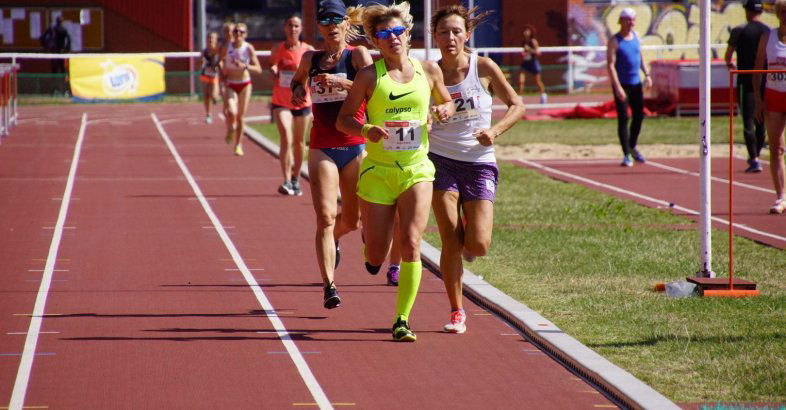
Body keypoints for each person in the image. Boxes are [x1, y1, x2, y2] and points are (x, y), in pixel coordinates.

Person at [336, 1, 455, 342]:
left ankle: (402, 319)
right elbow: (345, 118)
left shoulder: (428, 71)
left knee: (411, 242)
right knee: (376, 253)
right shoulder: (368, 76)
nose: (393, 38)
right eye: (385, 34)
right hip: (378, 172)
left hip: (416, 169)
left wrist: (442, 110)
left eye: (398, 32)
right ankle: (370, 253)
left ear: (408, 34)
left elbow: (446, 101)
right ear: (375, 41)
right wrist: (365, 131)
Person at [429, 5, 525, 334]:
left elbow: (517, 104)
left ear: (466, 35)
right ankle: (457, 311)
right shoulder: (429, 72)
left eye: (456, 31)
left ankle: (471, 229)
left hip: (479, 161)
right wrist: (428, 118)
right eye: (444, 32)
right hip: (439, 160)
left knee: (478, 245)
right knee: (449, 241)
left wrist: (494, 132)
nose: (450, 38)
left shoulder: (482, 67)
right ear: (435, 36)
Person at [290, 0, 373, 308]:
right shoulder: (310, 58)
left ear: (345, 24)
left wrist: (341, 81)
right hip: (322, 146)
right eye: (325, 22)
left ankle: (336, 238)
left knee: (352, 220)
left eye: (336, 21)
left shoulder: (357, 56)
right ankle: (329, 285)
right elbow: (297, 82)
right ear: (320, 27)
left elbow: (376, 90)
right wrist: (298, 90)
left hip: (354, 146)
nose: (331, 26)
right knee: (325, 217)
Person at [270, 14, 315, 196]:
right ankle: (286, 179)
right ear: (285, 28)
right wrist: (273, 70)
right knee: (286, 139)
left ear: (301, 28)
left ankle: (296, 179)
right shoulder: (277, 49)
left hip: (303, 102)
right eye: (290, 25)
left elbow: (314, 73)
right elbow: (272, 65)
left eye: (296, 26)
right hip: (281, 101)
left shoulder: (308, 50)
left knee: (299, 142)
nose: (293, 29)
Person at [725, 0, 769, 173]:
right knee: (761, 121)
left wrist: (731, 65)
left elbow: (728, 56)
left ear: (747, 11)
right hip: (765, 80)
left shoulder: (739, 30)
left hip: (746, 80)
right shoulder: (767, 32)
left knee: (748, 120)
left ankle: (755, 158)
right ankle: (756, 155)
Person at [606, 7, 652, 167]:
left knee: (639, 117)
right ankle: (626, 154)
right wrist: (617, 87)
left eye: (633, 20)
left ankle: (632, 146)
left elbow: (640, 58)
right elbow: (611, 65)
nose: (631, 23)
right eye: (628, 19)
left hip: (636, 84)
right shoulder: (614, 41)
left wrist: (647, 75)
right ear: (621, 21)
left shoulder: (637, 37)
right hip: (622, 85)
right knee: (623, 118)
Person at [754, 0, 786, 214]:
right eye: (782, 11)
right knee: (777, 149)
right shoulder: (768, 37)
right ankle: (781, 196)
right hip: (773, 96)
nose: (785, 15)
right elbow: (757, 70)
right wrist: (758, 100)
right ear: (776, 13)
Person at [218, 22, 262, 157]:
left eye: (241, 32)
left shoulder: (248, 48)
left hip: (244, 84)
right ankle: (231, 128)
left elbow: (259, 69)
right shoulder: (227, 46)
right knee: (231, 111)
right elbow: (220, 61)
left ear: (246, 34)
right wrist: (222, 70)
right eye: (236, 31)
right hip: (231, 82)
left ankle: (238, 145)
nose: (238, 34)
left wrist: (245, 66)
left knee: (241, 117)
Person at [40, 16, 71, 95]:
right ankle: (64, 90)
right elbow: (69, 40)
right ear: (62, 22)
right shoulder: (63, 30)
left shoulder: (52, 29)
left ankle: (54, 90)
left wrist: (46, 46)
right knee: (63, 72)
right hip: (61, 54)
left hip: (54, 53)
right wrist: (66, 49)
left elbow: (42, 37)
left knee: (54, 72)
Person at [518, 25, 547, 104]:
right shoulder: (523, 41)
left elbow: (538, 53)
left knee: (537, 81)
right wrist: (523, 53)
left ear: (530, 32)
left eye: (527, 31)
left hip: (533, 62)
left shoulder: (533, 41)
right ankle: (520, 97)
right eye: (525, 30)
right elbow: (524, 52)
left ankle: (543, 95)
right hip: (525, 62)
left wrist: (530, 49)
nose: (525, 32)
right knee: (521, 80)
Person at [200, 32, 221, 124]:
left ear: (216, 40)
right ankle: (208, 114)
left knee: (213, 96)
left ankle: (216, 98)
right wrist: (201, 62)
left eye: (212, 38)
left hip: (214, 75)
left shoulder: (218, 51)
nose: (210, 39)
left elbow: (219, 63)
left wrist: (214, 61)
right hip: (205, 74)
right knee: (206, 95)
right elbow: (198, 63)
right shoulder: (204, 51)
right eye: (209, 38)